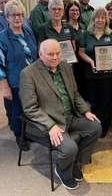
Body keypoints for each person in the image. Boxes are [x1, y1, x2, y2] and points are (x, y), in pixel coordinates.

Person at [19, 39, 102, 190]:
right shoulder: (28, 74)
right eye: (50, 54)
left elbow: (75, 93)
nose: (56, 57)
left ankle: (74, 162)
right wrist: (50, 126)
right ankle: (63, 170)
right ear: (40, 54)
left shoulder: (65, 66)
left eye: (58, 53)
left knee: (96, 127)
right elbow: (30, 108)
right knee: (69, 148)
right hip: (51, 121)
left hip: (70, 115)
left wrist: (86, 110)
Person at [0, 0, 37, 151]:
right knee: (18, 111)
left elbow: (35, 56)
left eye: (20, 15)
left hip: (33, 80)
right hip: (15, 82)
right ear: (7, 18)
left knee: (31, 108)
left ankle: (29, 132)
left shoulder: (28, 32)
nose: (17, 18)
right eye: (13, 15)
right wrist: (5, 87)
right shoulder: (2, 37)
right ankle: (19, 135)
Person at [79, 8, 112, 137]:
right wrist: (91, 61)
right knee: (93, 101)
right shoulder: (86, 34)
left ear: (106, 20)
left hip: (108, 75)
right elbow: (81, 52)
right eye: (98, 17)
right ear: (93, 19)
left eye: (103, 17)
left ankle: (103, 127)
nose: (100, 20)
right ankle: (94, 128)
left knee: (106, 101)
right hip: (91, 75)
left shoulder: (111, 34)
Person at [64, 0, 87, 99]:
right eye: (72, 10)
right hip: (70, 63)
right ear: (67, 12)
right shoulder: (64, 27)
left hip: (83, 61)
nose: (75, 12)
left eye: (77, 10)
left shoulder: (83, 26)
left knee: (83, 85)